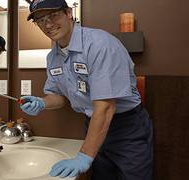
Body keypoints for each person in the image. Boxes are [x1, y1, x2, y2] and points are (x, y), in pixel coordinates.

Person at [20, 0, 153, 179]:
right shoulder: (53, 57)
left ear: (68, 13)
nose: (48, 24)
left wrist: (84, 156)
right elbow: (58, 96)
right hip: (93, 126)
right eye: (41, 20)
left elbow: (106, 106)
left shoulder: (100, 44)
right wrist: (42, 102)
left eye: (53, 16)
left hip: (127, 127)